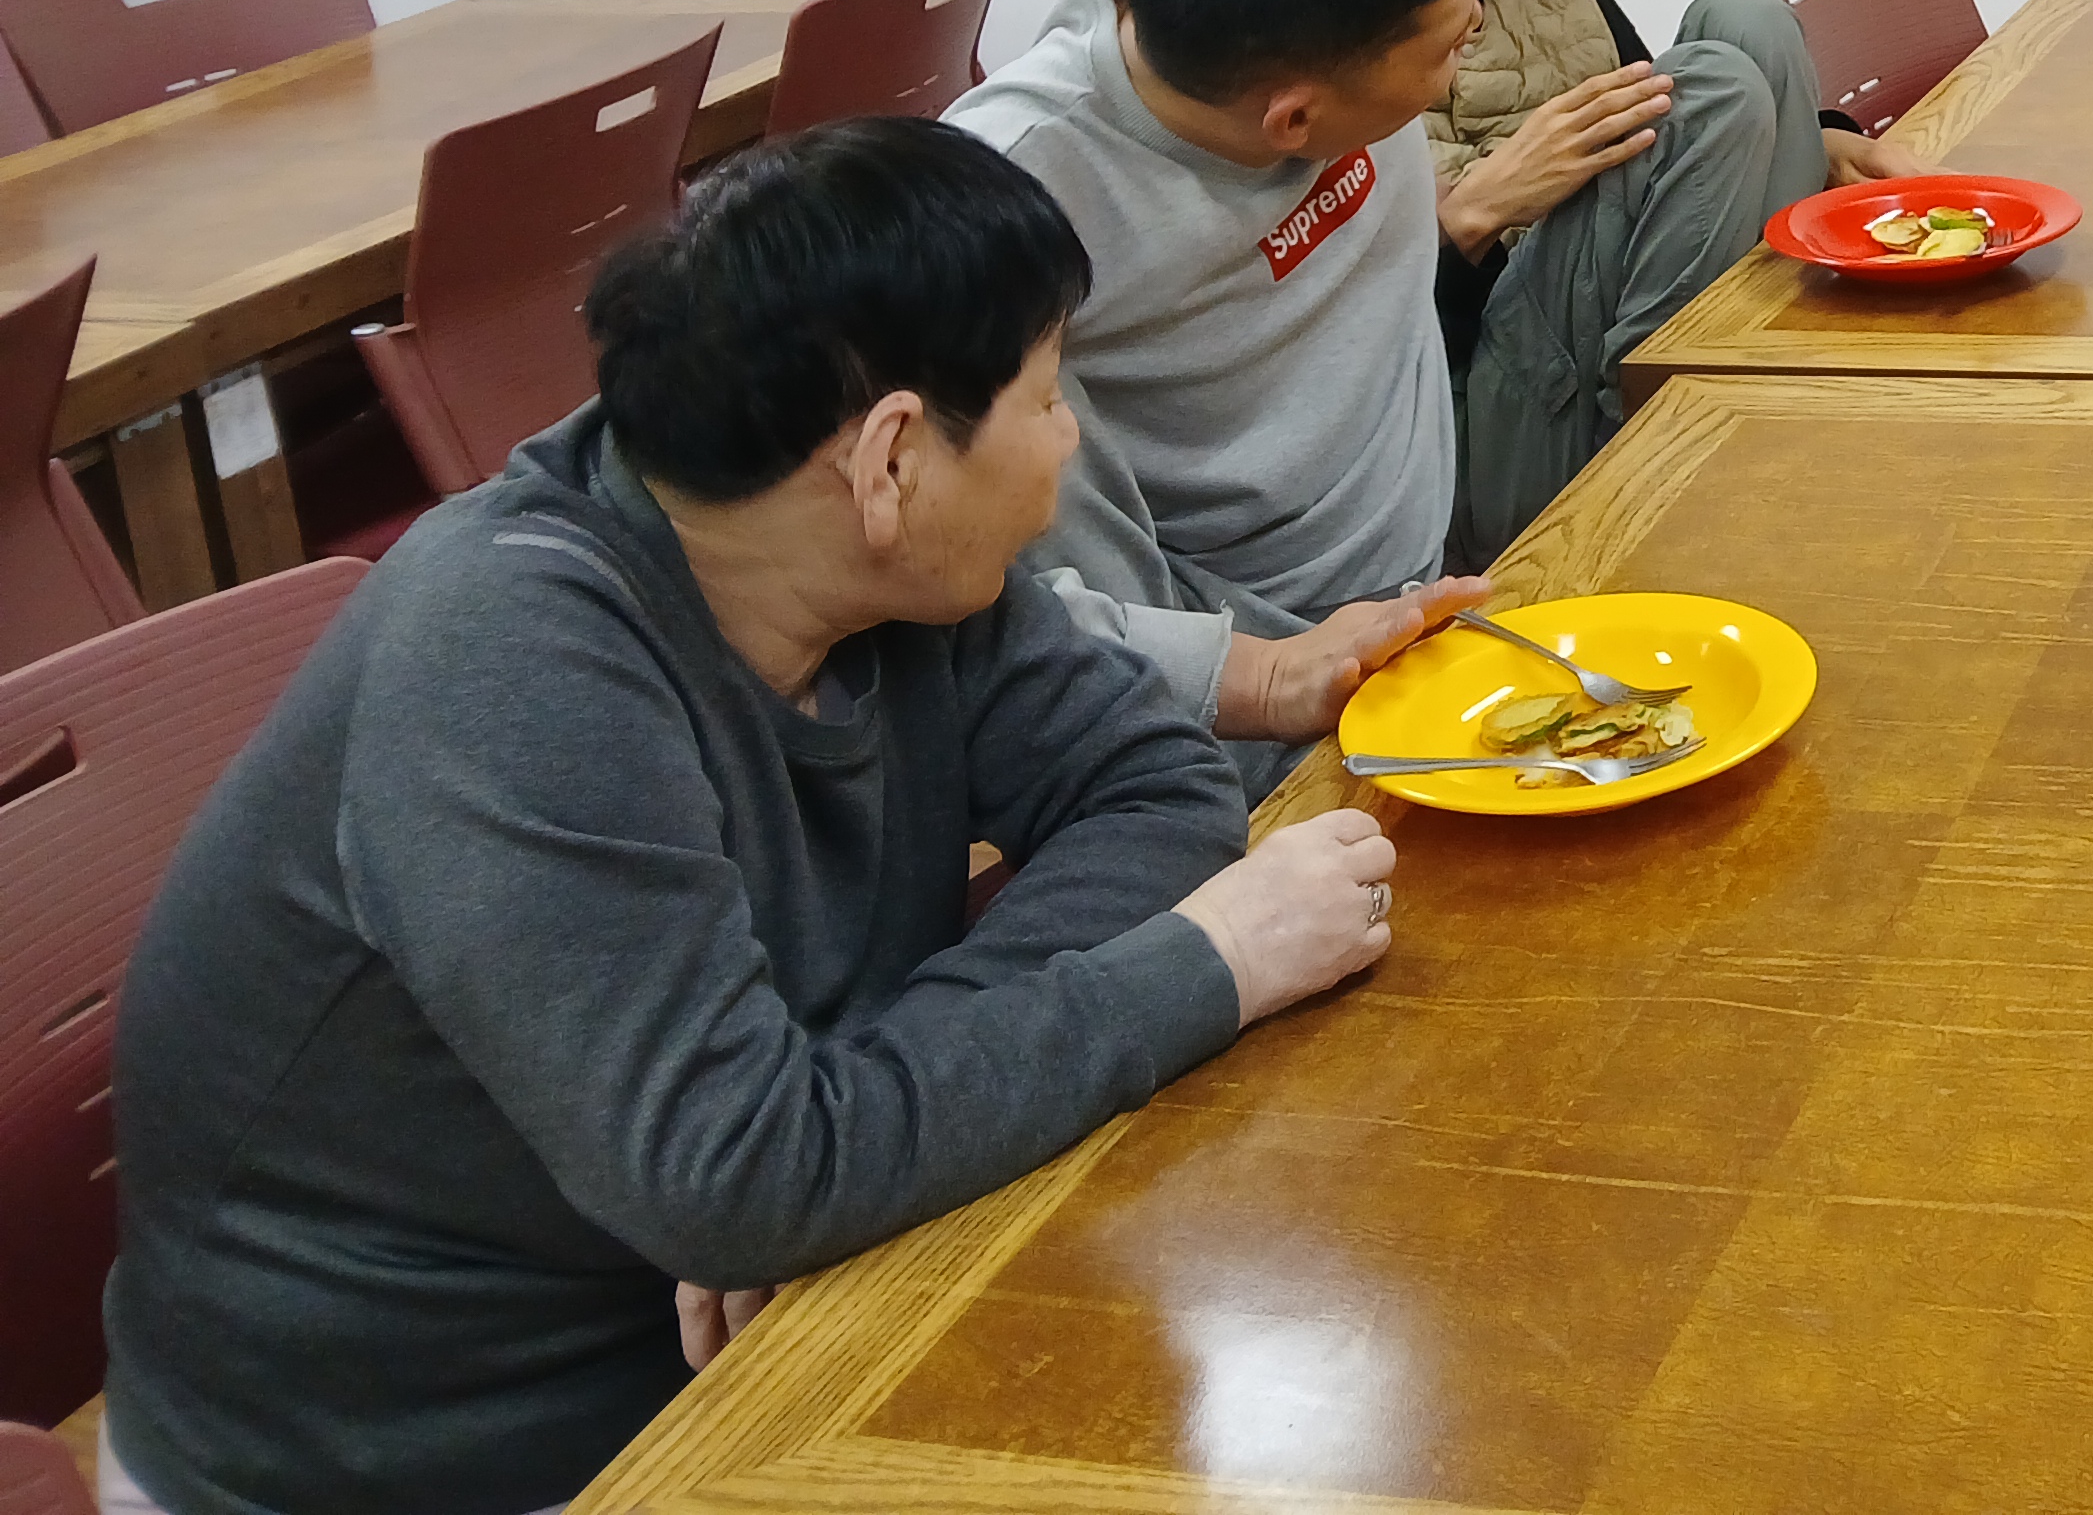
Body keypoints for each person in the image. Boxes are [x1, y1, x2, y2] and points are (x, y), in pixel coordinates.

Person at [100, 120, 1428, 1515]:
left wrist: (842, 1124)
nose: (1067, 439)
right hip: (436, 1449)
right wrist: (1213, 961)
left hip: (752, 1307)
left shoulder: (882, 569)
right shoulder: (511, 659)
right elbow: (735, 1181)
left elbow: (1154, 782)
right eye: (1046, 397)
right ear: (890, 459)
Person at [1336, 0, 1896, 570]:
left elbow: (1656, 112)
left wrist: (1820, 132)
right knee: (1714, 82)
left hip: (1580, 338)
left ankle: (1760, 385)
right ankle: (1657, 473)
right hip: (1464, 441)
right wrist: (1473, 214)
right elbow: (1324, 354)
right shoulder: (1316, 24)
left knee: (1744, 22)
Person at [950, 0, 1494, 742]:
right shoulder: (998, 205)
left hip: (1445, 531)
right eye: (1449, 49)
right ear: (1293, 124)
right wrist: (1267, 677)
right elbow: (971, 597)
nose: (1472, 34)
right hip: (1286, 661)